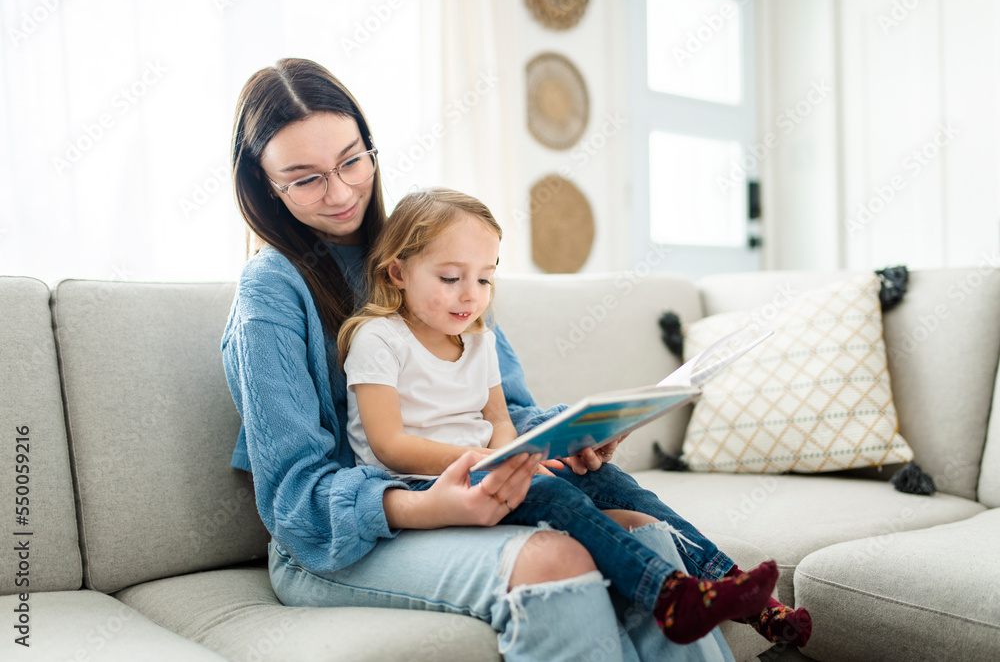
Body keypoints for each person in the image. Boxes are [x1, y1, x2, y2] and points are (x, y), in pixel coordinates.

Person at [222, 57, 762, 661]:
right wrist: (430, 505)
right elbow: (294, 499)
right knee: (557, 559)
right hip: (336, 542)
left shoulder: (432, 253)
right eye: (305, 178)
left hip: (468, 484)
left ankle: (742, 597)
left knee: (648, 537)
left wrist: (564, 440)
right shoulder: (269, 293)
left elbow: (503, 411)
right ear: (264, 183)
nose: (342, 190)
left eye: (352, 161)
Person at [337, 186, 811, 646]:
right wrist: (487, 461)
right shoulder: (379, 338)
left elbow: (500, 420)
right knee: (548, 491)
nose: (471, 296)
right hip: (421, 483)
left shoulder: (478, 337)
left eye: (484, 279)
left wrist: (512, 453)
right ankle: (668, 595)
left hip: (485, 466)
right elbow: (388, 445)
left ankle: (745, 596)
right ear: (397, 272)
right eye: (450, 278)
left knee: (616, 485)